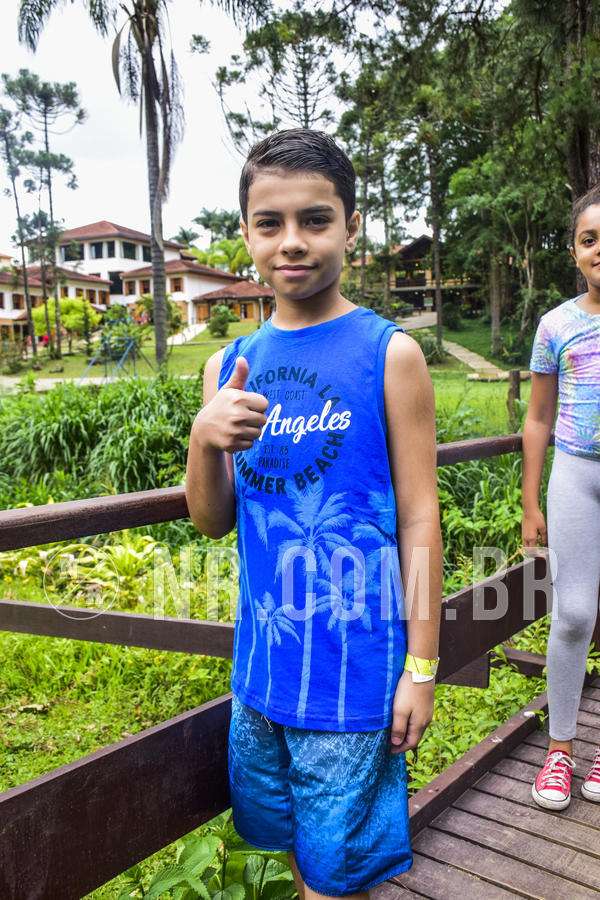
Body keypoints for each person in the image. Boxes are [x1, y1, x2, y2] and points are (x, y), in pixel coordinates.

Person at [186, 129, 442, 898]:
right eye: (271, 223)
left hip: (355, 677)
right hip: (261, 675)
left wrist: (421, 669)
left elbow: (421, 519)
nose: (292, 243)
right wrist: (204, 440)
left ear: (351, 227)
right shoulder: (226, 366)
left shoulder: (388, 354)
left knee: (336, 876)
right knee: (292, 850)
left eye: (315, 220)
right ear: (246, 234)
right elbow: (211, 519)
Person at [523, 183, 600, 812]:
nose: (599, 248)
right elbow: (538, 418)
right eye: (589, 238)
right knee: (573, 614)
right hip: (576, 475)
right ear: (574, 251)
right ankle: (561, 749)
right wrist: (531, 501)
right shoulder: (556, 325)